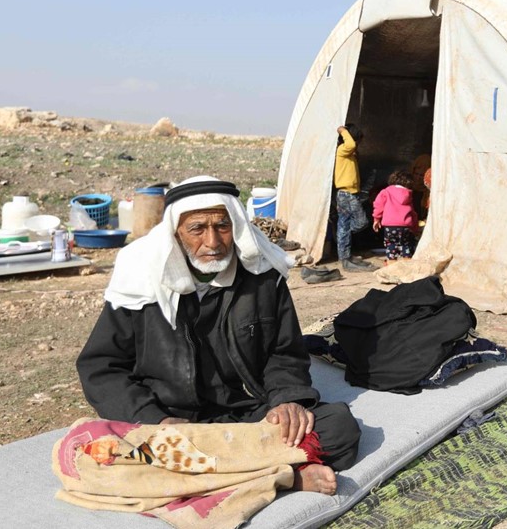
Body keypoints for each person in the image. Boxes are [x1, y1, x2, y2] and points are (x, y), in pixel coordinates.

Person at [76, 176, 361, 495]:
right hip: (170, 418)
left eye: (222, 226)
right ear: (176, 233)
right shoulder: (141, 283)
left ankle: (215, 477)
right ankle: (278, 477)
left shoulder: (262, 280)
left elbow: (284, 353)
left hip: (245, 414)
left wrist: (287, 400)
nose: (212, 241)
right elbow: (101, 368)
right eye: (197, 228)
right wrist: (154, 420)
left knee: (338, 430)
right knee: (101, 453)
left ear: (235, 227)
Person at [334, 124, 378, 272]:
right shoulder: (343, 150)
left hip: (349, 193)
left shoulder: (349, 153)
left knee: (344, 224)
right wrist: (343, 130)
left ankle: (345, 255)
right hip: (346, 194)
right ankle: (342, 239)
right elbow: (351, 143)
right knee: (361, 222)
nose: (357, 145)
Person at [371, 170, 419, 264]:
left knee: (391, 245)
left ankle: (391, 265)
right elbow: (412, 212)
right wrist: (415, 228)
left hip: (390, 226)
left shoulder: (386, 192)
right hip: (405, 226)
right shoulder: (408, 194)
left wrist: (376, 218)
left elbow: (378, 205)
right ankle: (407, 265)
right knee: (406, 245)